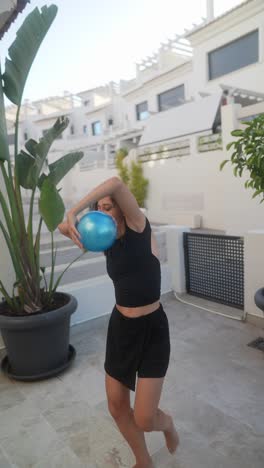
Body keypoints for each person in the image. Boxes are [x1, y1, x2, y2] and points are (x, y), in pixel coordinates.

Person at [58, 176, 179, 468]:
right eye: (98, 209)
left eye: (108, 207)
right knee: (116, 405)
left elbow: (115, 182)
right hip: (121, 329)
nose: (102, 213)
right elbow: (63, 229)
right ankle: (143, 461)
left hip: (152, 329)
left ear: (122, 209)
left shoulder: (139, 226)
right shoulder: (105, 241)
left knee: (145, 418)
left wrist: (74, 209)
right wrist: (73, 224)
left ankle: (168, 424)